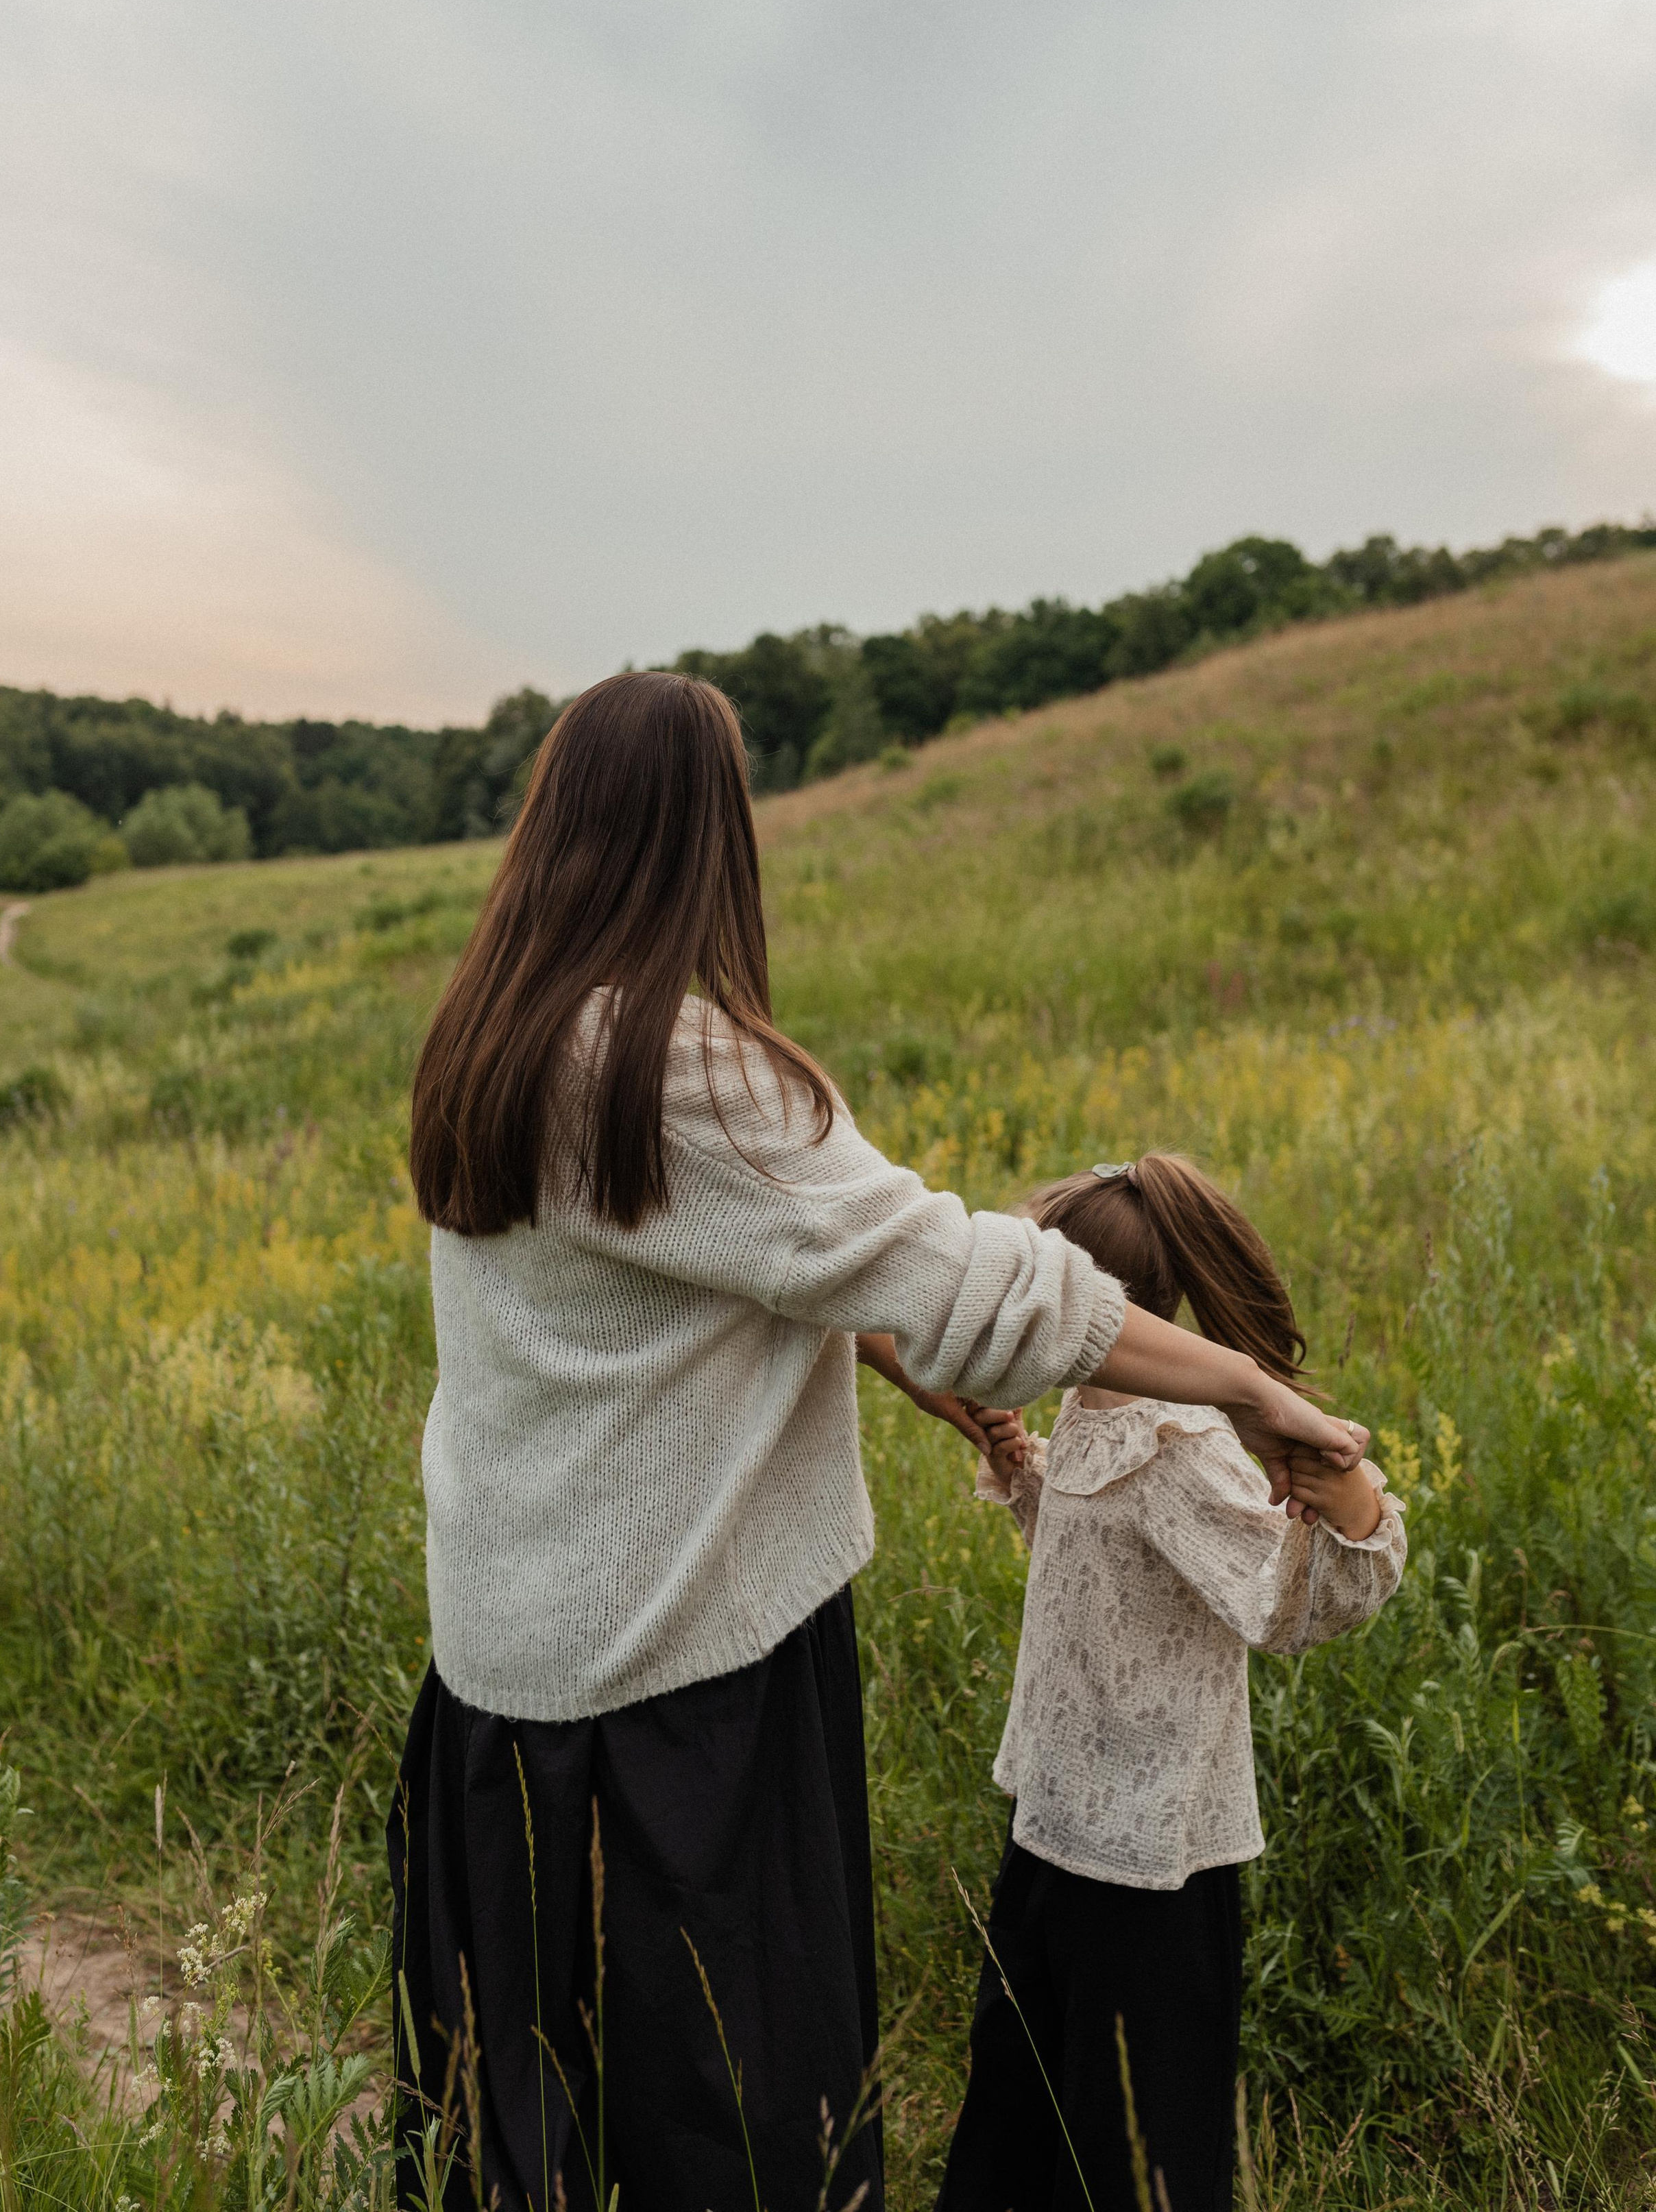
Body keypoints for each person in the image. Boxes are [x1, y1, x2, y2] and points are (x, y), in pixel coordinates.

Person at [389, 670, 1367, 2212]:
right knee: (728, 2124)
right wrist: (1243, 1387)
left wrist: (853, 1341)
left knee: (530, 2129)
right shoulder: (676, 1064)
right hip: (680, 1688)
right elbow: (968, 1275)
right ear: (710, 837)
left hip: (499, 1693)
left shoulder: (489, 1040)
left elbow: (649, 1284)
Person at [939, 1155, 1406, 2212]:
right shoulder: (1097, 1413)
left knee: (1138, 2141)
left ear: (1092, 1313)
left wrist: (1362, 1517)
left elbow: (1280, 1606)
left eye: (1036, 1302)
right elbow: (1099, 1566)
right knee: (1022, 2097)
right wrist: (1027, 1470)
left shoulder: (1184, 1444)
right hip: (1055, 1824)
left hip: (1153, 1863)